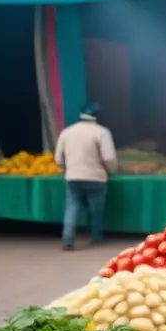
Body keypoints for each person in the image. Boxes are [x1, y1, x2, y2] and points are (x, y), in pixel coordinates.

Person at [54, 103, 117, 251]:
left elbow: (58, 158)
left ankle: (67, 239)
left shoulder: (67, 132)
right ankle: (96, 236)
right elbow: (108, 157)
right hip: (96, 177)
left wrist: (66, 169)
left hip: (73, 177)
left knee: (72, 206)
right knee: (96, 208)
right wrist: (111, 171)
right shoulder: (102, 132)